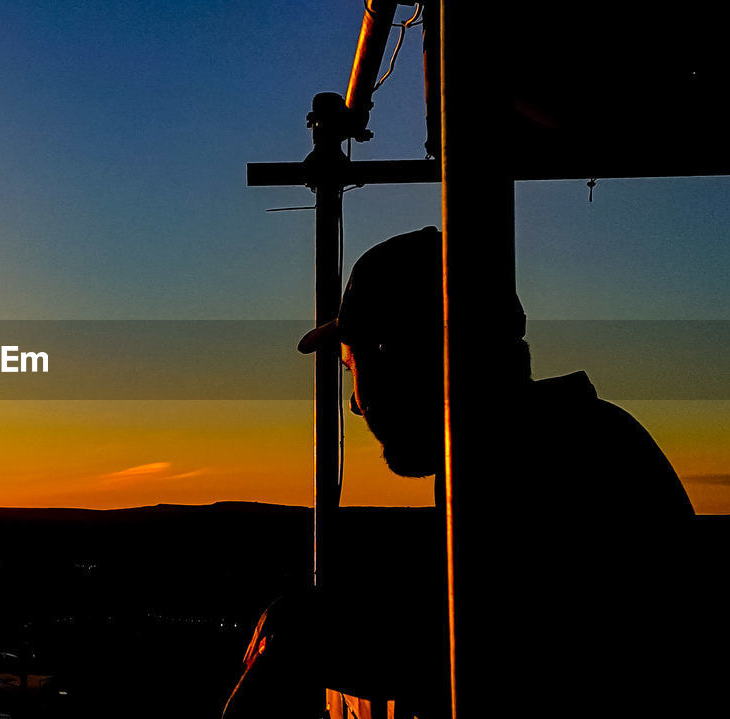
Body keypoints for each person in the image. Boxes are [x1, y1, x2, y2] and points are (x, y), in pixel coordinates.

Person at [223, 227, 698, 718]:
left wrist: (314, 641)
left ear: (400, 355)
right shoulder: (561, 445)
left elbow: (512, 656)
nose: (357, 405)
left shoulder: (546, 468)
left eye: (352, 366)